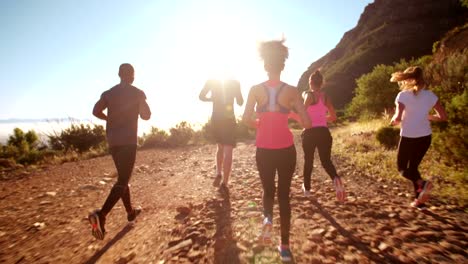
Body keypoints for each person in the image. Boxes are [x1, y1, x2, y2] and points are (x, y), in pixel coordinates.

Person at [242, 39, 311, 262]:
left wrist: (259, 124)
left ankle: (267, 220)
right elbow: (307, 123)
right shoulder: (291, 91)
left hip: (264, 149)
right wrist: (291, 113)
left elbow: (246, 119)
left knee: (267, 191)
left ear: (265, 65)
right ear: (282, 66)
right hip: (286, 150)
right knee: (284, 195)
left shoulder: (255, 90)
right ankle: (285, 247)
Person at [88, 63, 151, 240]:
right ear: (132, 76)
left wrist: (109, 118)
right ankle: (101, 214)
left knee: (122, 178)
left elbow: (95, 111)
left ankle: (130, 212)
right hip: (128, 141)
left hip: (113, 141)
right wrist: (140, 104)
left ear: (118, 75)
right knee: (123, 179)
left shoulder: (108, 93)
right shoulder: (137, 92)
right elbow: (146, 115)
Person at [390, 66, 447, 210]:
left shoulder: (402, 95)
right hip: (425, 138)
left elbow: (397, 116)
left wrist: (394, 120)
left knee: (402, 168)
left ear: (408, 79)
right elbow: (443, 117)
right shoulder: (431, 96)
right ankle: (419, 201)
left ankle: (423, 184)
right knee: (413, 168)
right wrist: (427, 116)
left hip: (409, 137)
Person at [300, 70, 346, 202]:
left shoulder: (308, 95)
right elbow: (333, 117)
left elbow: (302, 111)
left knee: (308, 160)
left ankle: (307, 189)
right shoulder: (325, 97)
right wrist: (322, 119)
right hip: (324, 132)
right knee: (326, 161)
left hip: (309, 132)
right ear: (322, 83)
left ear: (310, 82)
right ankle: (336, 179)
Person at [199, 79, 244, 191]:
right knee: (228, 151)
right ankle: (225, 183)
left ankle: (218, 173)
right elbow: (240, 102)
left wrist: (213, 99)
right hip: (229, 119)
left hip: (216, 118)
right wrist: (234, 94)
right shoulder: (235, 83)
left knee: (220, 147)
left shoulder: (212, 81)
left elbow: (201, 96)